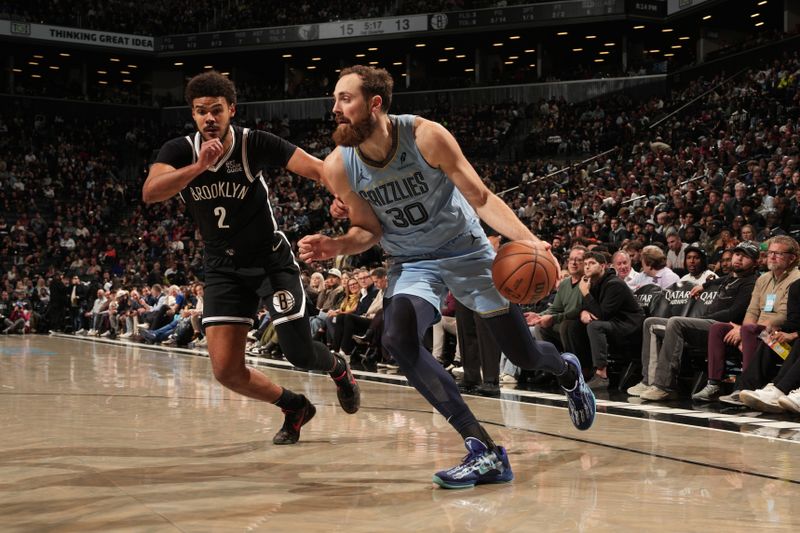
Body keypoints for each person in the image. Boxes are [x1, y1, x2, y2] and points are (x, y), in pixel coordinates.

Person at [298, 65, 595, 489]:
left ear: (375, 104)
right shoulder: (339, 166)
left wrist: (531, 242)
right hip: (411, 261)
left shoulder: (425, 136)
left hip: (466, 250)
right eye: (335, 99)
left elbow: (481, 197)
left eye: (345, 99)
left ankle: (566, 370)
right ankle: (483, 449)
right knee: (397, 339)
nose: (335, 109)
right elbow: (369, 231)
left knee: (526, 355)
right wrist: (335, 245)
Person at [143, 71, 360, 446]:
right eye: (200, 111)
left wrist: (342, 196)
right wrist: (197, 168)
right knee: (226, 370)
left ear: (232, 110)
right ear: (192, 115)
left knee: (300, 354)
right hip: (222, 267)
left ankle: (339, 368)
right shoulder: (178, 151)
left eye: (216, 110)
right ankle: (294, 406)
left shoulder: (252, 143)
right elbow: (150, 192)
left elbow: (318, 168)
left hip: (269, 262)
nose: (209, 118)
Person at [628, 241, 759, 401]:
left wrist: (700, 318)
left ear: (755, 262)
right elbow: (718, 280)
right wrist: (704, 285)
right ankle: (649, 381)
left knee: (676, 322)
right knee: (651, 323)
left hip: (721, 328)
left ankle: (665, 386)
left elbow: (733, 313)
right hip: (706, 324)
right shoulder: (731, 277)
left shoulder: (751, 283)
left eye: (745, 257)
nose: (739, 259)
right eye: (737, 254)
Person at [568, 251, 644, 389]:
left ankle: (601, 375)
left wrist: (585, 293)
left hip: (629, 326)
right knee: (573, 325)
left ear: (603, 266)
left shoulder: (614, 284)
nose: (587, 267)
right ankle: (583, 370)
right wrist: (583, 312)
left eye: (591, 263)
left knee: (595, 326)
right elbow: (587, 308)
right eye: (585, 264)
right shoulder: (593, 283)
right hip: (613, 322)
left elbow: (602, 315)